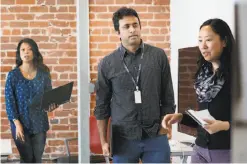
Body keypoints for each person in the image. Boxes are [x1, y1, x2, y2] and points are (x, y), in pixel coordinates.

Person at [94, 7, 176, 163]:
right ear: (118, 32)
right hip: (123, 139)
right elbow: (101, 106)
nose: (132, 30)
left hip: (155, 135)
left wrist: (164, 128)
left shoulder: (158, 56)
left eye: (135, 25)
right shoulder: (107, 63)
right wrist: (104, 141)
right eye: (126, 27)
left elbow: (168, 97)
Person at [162, 18, 234, 163]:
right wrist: (181, 118)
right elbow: (205, 120)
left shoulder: (238, 76)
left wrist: (224, 125)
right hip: (200, 149)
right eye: (200, 40)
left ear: (224, 42)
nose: (203, 46)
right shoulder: (203, 75)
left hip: (226, 151)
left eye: (208, 40)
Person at [5, 38, 57, 163]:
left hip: (40, 123)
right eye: (23, 49)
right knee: (27, 159)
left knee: (37, 159)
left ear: (34, 52)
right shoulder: (13, 75)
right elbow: (9, 102)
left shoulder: (44, 74)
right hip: (20, 124)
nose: (26, 52)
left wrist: (51, 106)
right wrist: (17, 125)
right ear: (19, 53)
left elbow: (48, 97)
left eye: (29, 49)